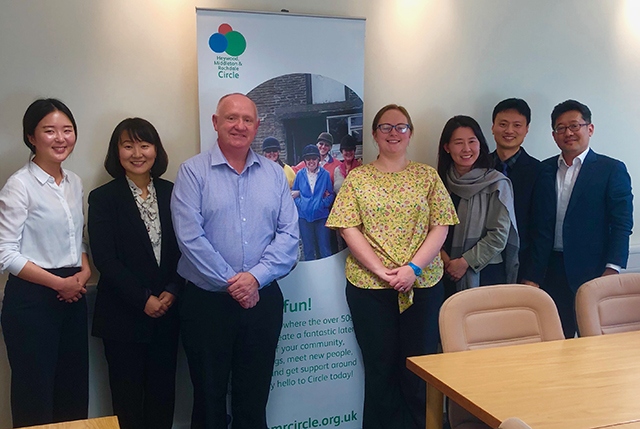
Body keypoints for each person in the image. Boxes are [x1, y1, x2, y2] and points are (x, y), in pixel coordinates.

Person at [171, 93, 299, 429]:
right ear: (216, 123)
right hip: (207, 305)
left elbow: (289, 237)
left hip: (262, 301)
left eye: (247, 120)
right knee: (208, 399)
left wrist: (254, 279)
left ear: (257, 126)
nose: (239, 125)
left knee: (254, 397)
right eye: (231, 118)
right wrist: (235, 283)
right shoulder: (192, 172)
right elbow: (190, 239)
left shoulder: (274, 175)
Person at [326, 104, 458, 429]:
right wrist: (380, 271)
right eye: (385, 127)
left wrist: (412, 268)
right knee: (380, 371)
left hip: (422, 286)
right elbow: (347, 227)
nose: (393, 133)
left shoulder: (427, 176)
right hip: (370, 290)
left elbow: (441, 226)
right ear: (374, 135)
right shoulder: (357, 179)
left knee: (418, 372)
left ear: (410, 133)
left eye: (401, 127)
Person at [0, 98, 90, 427]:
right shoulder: (19, 185)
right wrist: (59, 283)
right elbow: (5, 253)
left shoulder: (74, 183)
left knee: (73, 392)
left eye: (67, 130)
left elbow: (76, 237)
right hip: (32, 300)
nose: (60, 138)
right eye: (49, 131)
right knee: (34, 396)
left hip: (74, 294)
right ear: (31, 137)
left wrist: (85, 269)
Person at [88, 118, 182, 429]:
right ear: (117, 152)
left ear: (156, 149)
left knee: (163, 399)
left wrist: (172, 288)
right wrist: (143, 299)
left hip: (168, 314)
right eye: (128, 146)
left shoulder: (173, 193)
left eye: (144, 144)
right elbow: (105, 258)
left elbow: (185, 248)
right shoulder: (103, 198)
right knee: (126, 404)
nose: (137, 153)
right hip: (123, 317)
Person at [542, 99, 633, 338]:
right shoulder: (544, 170)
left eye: (575, 126)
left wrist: (612, 268)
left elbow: (622, 222)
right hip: (551, 269)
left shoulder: (611, 169)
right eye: (561, 128)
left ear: (589, 129)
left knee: (593, 342)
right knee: (554, 342)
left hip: (594, 270)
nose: (568, 133)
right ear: (554, 135)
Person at [437, 115, 519, 295]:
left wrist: (464, 262)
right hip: (442, 270)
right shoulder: (438, 182)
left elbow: (499, 235)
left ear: (480, 144)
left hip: (485, 272)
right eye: (458, 143)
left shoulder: (497, 183)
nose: (466, 149)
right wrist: (445, 260)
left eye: (472, 141)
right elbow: (429, 228)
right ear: (447, 147)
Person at [490, 98, 555, 287]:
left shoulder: (540, 172)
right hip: (482, 266)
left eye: (517, 125)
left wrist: (533, 277)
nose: (509, 131)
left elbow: (543, 230)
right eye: (503, 124)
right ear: (493, 127)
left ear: (526, 129)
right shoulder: (481, 167)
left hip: (522, 267)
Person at [292, 144, 335, 260]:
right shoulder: (299, 175)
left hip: (321, 217)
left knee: (324, 248)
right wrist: (301, 204)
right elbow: (294, 194)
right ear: (304, 161)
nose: (311, 161)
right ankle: (312, 277)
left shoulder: (325, 174)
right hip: (304, 218)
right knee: (308, 249)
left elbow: (330, 194)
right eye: (308, 159)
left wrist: (323, 204)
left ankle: (327, 274)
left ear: (318, 159)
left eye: (314, 158)